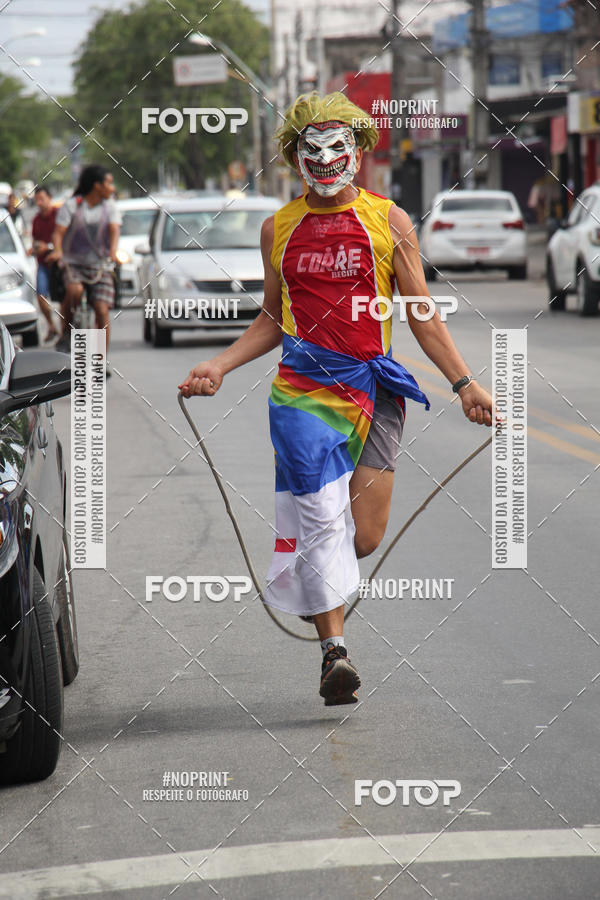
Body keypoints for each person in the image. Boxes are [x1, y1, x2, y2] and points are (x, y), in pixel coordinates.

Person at [179, 92, 493, 706]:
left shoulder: (390, 221)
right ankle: (335, 653)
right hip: (301, 390)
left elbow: (422, 315)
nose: (324, 160)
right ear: (295, 156)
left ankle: (311, 579)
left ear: (357, 151)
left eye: (335, 148)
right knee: (322, 516)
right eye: (310, 150)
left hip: (374, 388)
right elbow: (273, 316)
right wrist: (219, 364)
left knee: (365, 536)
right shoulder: (280, 225)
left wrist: (464, 383)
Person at [48, 164, 121, 363]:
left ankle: (101, 358)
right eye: (109, 183)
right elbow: (59, 233)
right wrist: (58, 250)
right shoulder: (73, 205)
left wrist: (113, 252)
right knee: (74, 291)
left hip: (100, 265)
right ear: (97, 186)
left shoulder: (110, 207)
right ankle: (66, 332)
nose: (111, 188)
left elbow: (114, 230)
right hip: (73, 264)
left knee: (102, 309)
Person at [27, 187, 59, 343]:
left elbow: (65, 238)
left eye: (42, 199)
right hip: (44, 264)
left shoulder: (59, 216)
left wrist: (51, 247)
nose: (39, 203)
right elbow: (35, 241)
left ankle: (69, 328)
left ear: (49, 198)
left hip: (61, 264)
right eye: (36, 200)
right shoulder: (36, 220)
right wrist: (34, 249)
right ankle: (52, 326)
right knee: (40, 296)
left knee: (69, 296)